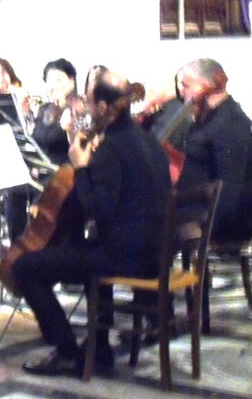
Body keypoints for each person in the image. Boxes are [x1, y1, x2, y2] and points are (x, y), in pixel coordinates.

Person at [13, 70, 170, 377]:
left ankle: (67, 351)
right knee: (84, 251)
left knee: (26, 268)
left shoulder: (112, 147)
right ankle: (98, 347)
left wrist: (82, 168)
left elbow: (99, 211)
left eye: (87, 102)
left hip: (127, 257)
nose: (84, 108)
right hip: (155, 252)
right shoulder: (145, 138)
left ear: (101, 108)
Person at [172, 58, 252, 244]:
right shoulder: (210, 118)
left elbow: (229, 187)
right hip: (196, 207)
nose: (181, 93)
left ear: (207, 86)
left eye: (186, 86)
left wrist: (205, 225)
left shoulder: (231, 122)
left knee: (148, 223)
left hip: (216, 220)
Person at [4, 58, 77, 246]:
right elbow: (34, 139)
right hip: (40, 171)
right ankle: (18, 245)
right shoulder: (45, 109)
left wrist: (69, 127)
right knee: (13, 191)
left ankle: (42, 247)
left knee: (43, 195)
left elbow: (76, 146)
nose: (54, 85)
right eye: (50, 80)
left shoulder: (77, 108)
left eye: (59, 80)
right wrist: (25, 113)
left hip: (62, 173)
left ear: (72, 81)